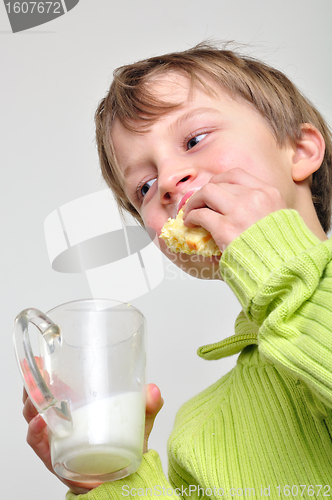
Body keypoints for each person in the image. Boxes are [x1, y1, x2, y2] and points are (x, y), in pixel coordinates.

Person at [23, 42, 332, 499]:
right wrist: (111, 481)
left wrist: (279, 264)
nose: (168, 180)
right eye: (144, 187)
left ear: (300, 150)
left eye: (194, 140)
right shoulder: (201, 431)